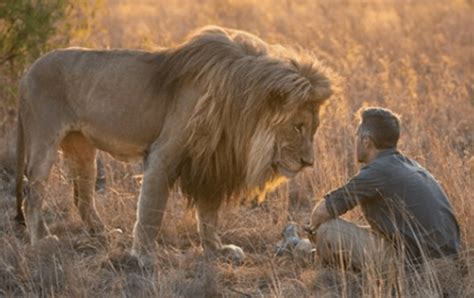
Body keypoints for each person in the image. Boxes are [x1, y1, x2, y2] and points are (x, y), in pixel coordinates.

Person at [307, 107, 461, 270]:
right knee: (362, 233)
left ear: (366, 141)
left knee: (328, 230)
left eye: (357, 136)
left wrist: (312, 231)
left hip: (415, 264)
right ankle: (301, 248)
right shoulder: (410, 164)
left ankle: (308, 254)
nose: (356, 141)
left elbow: (321, 212)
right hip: (445, 258)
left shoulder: (377, 172)